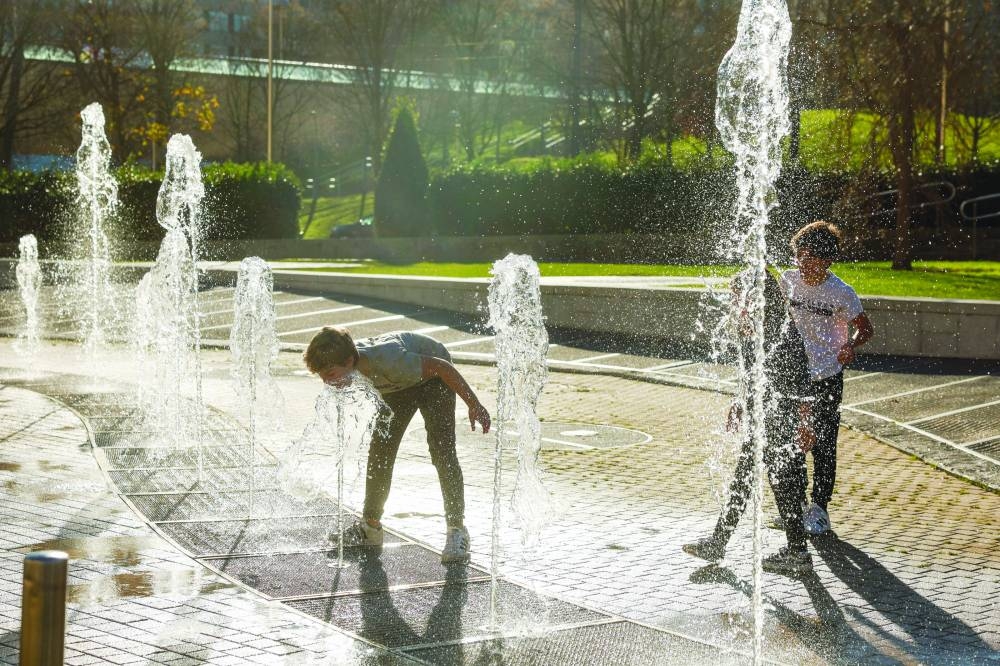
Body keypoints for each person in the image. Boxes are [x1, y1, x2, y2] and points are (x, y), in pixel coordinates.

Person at [303, 327, 491, 563]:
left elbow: (443, 368)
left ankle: (457, 531)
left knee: (442, 452)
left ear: (350, 361)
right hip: (400, 385)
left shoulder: (389, 360)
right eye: (323, 377)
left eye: (330, 374)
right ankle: (370, 528)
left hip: (435, 379)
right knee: (381, 451)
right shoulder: (346, 362)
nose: (328, 383)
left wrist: (474, 404)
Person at [684, 269, 818, 575]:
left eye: (737, 295)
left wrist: (805, 424)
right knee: (748, 480)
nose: (733, 302)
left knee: (777, 482)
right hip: (763, 417)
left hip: (780, 417)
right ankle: (721, 542)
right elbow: (751, 372)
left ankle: (796, 552)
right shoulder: (750, 328)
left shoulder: (781, 329)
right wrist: (740, 401)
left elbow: (801, 379)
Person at [780, 221, 874, 536]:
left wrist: (850, 344)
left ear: (827, 259)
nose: (803, 263)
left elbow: (865, 328)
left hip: (826, 376)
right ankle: (793, 505)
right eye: (799, 255)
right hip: (793, 375)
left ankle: (819, 509)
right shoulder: (787, 281)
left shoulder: (841, 292)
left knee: (823, 445)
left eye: (811, 257)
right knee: (790, 440)